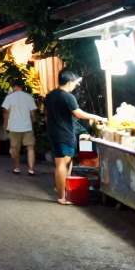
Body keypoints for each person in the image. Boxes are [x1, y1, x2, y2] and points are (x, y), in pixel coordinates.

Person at [44, 70, 105, 205]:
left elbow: (46, 114)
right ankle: (62, 197)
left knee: (65, 162)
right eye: (76, 83)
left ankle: (61, 189)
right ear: (69, 82)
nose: (76, 86)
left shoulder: (50, 95)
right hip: (63, 133)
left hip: (54, 132)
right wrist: (97, 117)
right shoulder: (67, 96)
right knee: (62, 164)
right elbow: (78, 113)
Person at [2, 81, 38, 175]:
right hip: (27, 126)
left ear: (13, 86)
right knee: (30, 148)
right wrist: (32, 121)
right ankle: (31, 169)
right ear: (22, 86)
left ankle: (17, 168)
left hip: (14, 126)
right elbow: (32, 113)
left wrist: (5, 124)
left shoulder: (9, 97)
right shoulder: (28, 97)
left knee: (15, 148)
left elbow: (6, 112)